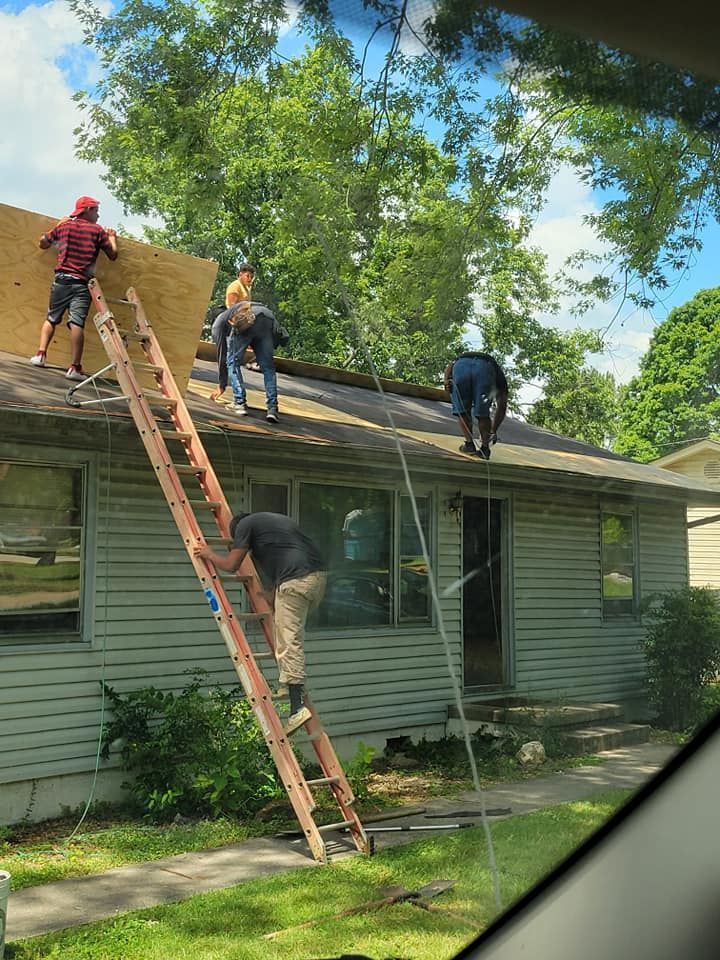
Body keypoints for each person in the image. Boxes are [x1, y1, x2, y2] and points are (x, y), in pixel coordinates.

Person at [194, 511, 327, 735]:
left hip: (295, 582)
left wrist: (208, 554)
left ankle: (298, 707)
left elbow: (231, 565)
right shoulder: (274, 525)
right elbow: (289, 559)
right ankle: (288, 683)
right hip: (316, 580)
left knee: (288, 638)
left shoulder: (244, 525)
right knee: (285, 626)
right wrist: (271, 594)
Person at [29, 196, 118, 380]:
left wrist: (58, 225)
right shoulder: (98, 231)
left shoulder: (65, 226)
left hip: (61, 280)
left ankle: (40, 355)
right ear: (86, 210)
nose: (98, 214)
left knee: (52, 318)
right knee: (76, 323)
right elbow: (113, 255)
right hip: (81, 284)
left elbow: (43, 243)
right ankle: (75, 368)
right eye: (95, 210)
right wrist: (112, 238)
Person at [444, 351, 508, 460]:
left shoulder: (460, 359)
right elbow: (502, 407)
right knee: (482, 413)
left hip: (461, 365)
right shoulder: (499, 378)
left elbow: (451, 364)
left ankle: (469, 445)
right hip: (485, 369)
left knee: (462, 409)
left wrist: (446, 380)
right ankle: (484, 449)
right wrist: (493, 430)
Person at [225, 302, 281, 422]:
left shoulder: (230, 315)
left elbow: (221, 336)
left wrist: (221, 384)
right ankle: (272, 409)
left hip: (251, 320)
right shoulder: (260, 308)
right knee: (268, 368)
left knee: (233, 362)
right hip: (267, 320)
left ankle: (240, 403)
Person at [209, 263, 255, 402]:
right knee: (224, 357)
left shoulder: (247, 289)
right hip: (224, 324)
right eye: (248, 276)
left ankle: (223, 386)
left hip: (234, 324)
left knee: (231, 357)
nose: (250, 279)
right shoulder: (235, 286)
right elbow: (231, 308)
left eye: (252, 277)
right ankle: (221, 386)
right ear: (240, 274)